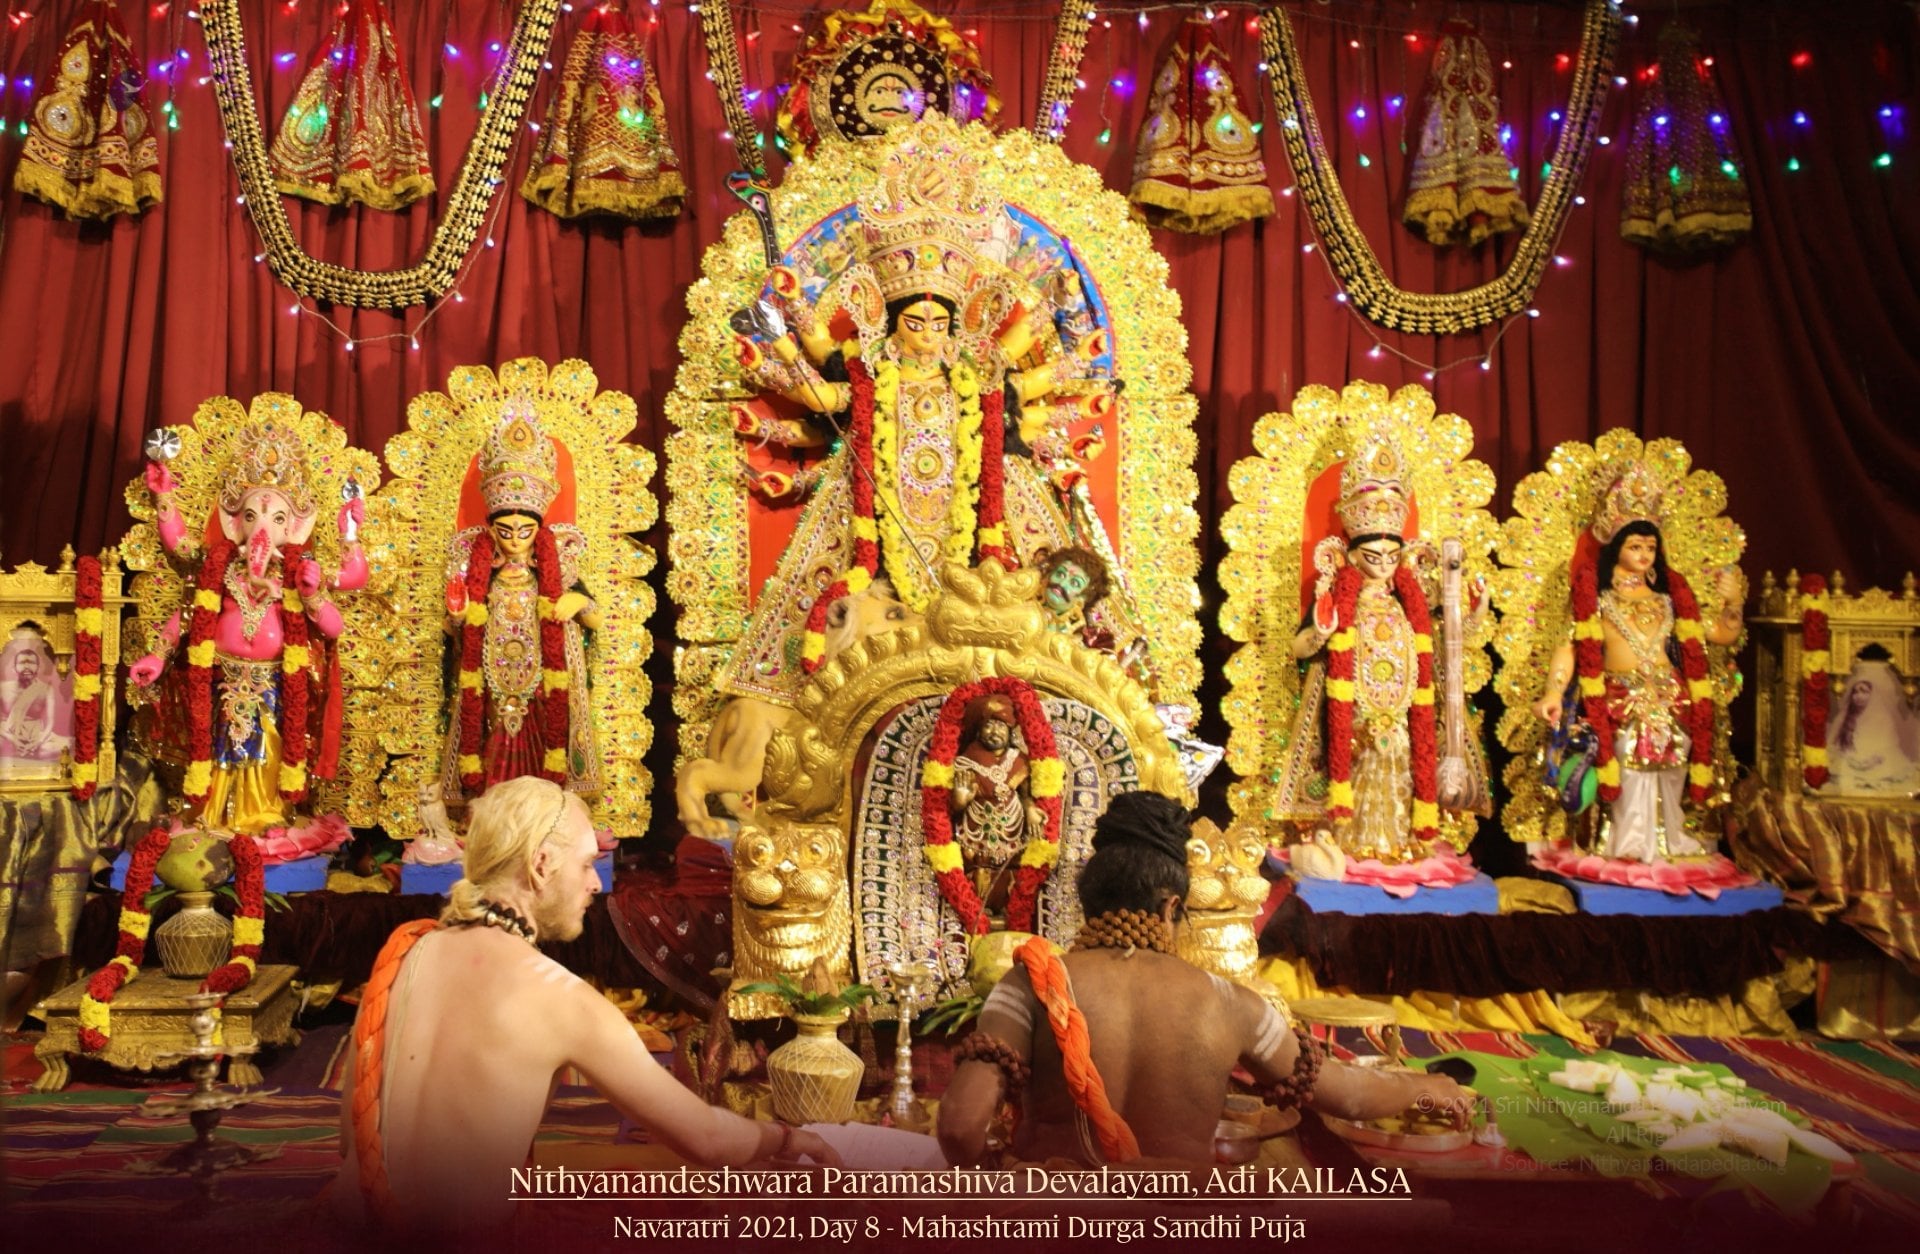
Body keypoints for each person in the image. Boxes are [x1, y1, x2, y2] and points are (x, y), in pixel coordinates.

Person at [335, 776, 837, 1234]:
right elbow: (706, 1138)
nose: (596, 883)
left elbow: (348, 1137)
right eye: (585, 864)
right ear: (541, 865)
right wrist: (787, 1140)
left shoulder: (405, 953)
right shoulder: (560, 997)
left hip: (345, 1230)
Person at [937, 790, 1472, 1166]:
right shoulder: (1230, 1003)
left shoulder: (1029, 985)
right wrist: (1426, 1087)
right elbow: (1345, 1094)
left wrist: (1012, 1177)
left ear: (1089, 901)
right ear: (1172, 906)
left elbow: (960, 1129)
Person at [1531, 467, 1744, 861]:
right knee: (1625, 759)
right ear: (1616, 547)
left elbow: (1719, 634)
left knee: (1675, 760)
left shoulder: (1670, 598)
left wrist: (1733, 604)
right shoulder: (1595, 598)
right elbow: (1569, 648)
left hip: (1670, 697)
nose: (1644, 555)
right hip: (1618, 697)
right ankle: (1626, 842)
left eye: (1650, 547)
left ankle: (1670, 839)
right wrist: (1554, 692)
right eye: (1635, 546)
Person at [440, 406, 603, 807]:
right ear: (491, 531)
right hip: (492, 683)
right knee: (489, 744)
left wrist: (578, 600)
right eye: (505, 531)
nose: (514, 539)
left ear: (539, 531)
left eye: (525, 531)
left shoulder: (556, 572)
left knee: (545, 742)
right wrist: (458, 619)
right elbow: (453, 629)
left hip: (542, 684)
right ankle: (491, 813)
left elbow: (596, 620)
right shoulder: (480, 575)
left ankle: (545, 811)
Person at [1828, 646, 1920, 796]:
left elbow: (1888, 746)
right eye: (1855, 692)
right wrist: (1851, 759)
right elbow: (1836, 745)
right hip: (1850, 764)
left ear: (1872, 695)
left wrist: (1873, 760)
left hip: (1879, 763)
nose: (1858, 696)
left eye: (1864, 691)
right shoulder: (1847, 718)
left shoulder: (1883, 718)